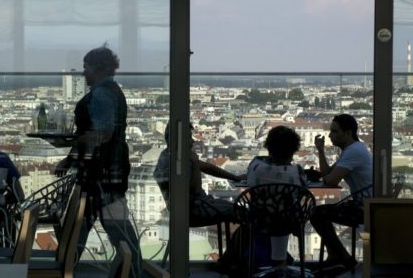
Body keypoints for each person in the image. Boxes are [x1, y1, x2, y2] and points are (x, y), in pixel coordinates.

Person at [54, 45, 141, 278]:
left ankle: (63, 269)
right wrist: (71, 154)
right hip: (109, 170)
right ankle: (132, 271)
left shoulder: (101, 95)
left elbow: (102, 133)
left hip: (99, 173)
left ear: (96, 68)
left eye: (86, 67)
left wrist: (71, 145)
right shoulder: (112, 91)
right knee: (112, 230)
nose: (84, 73)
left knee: (86, 231)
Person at [307, 114, 373, 275]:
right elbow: (328, 173)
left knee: (316, 213)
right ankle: (337, 255)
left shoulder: (353, 152)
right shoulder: (354, 149)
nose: (330, 135)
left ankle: (341, 257)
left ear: (348, 132)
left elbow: (330, 180)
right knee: (318, 213)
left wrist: (321, 176)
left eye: (335, 131)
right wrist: (321, 151)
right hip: (366, 204)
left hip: (365, 208)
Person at [153, 123, 244, 225]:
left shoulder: (168, 156)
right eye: (188, 137)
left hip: (185, 209)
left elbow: (207, 168)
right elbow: (195, 190)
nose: (192, 141)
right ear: (179, 140)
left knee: (233, 207)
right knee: (241, 211)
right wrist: (195, 161)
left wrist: (235, 177)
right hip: (193, 211)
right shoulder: (180, 160)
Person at [245, 125, 306, 273]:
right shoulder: (297, 172)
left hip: (259, 219)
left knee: (275, 216)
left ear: (269, 148)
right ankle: (281, 263)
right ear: (293, 150)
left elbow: (250, 175)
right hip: (289, 221)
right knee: (282, 214)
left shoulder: (256, 167)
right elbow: (303, 192)